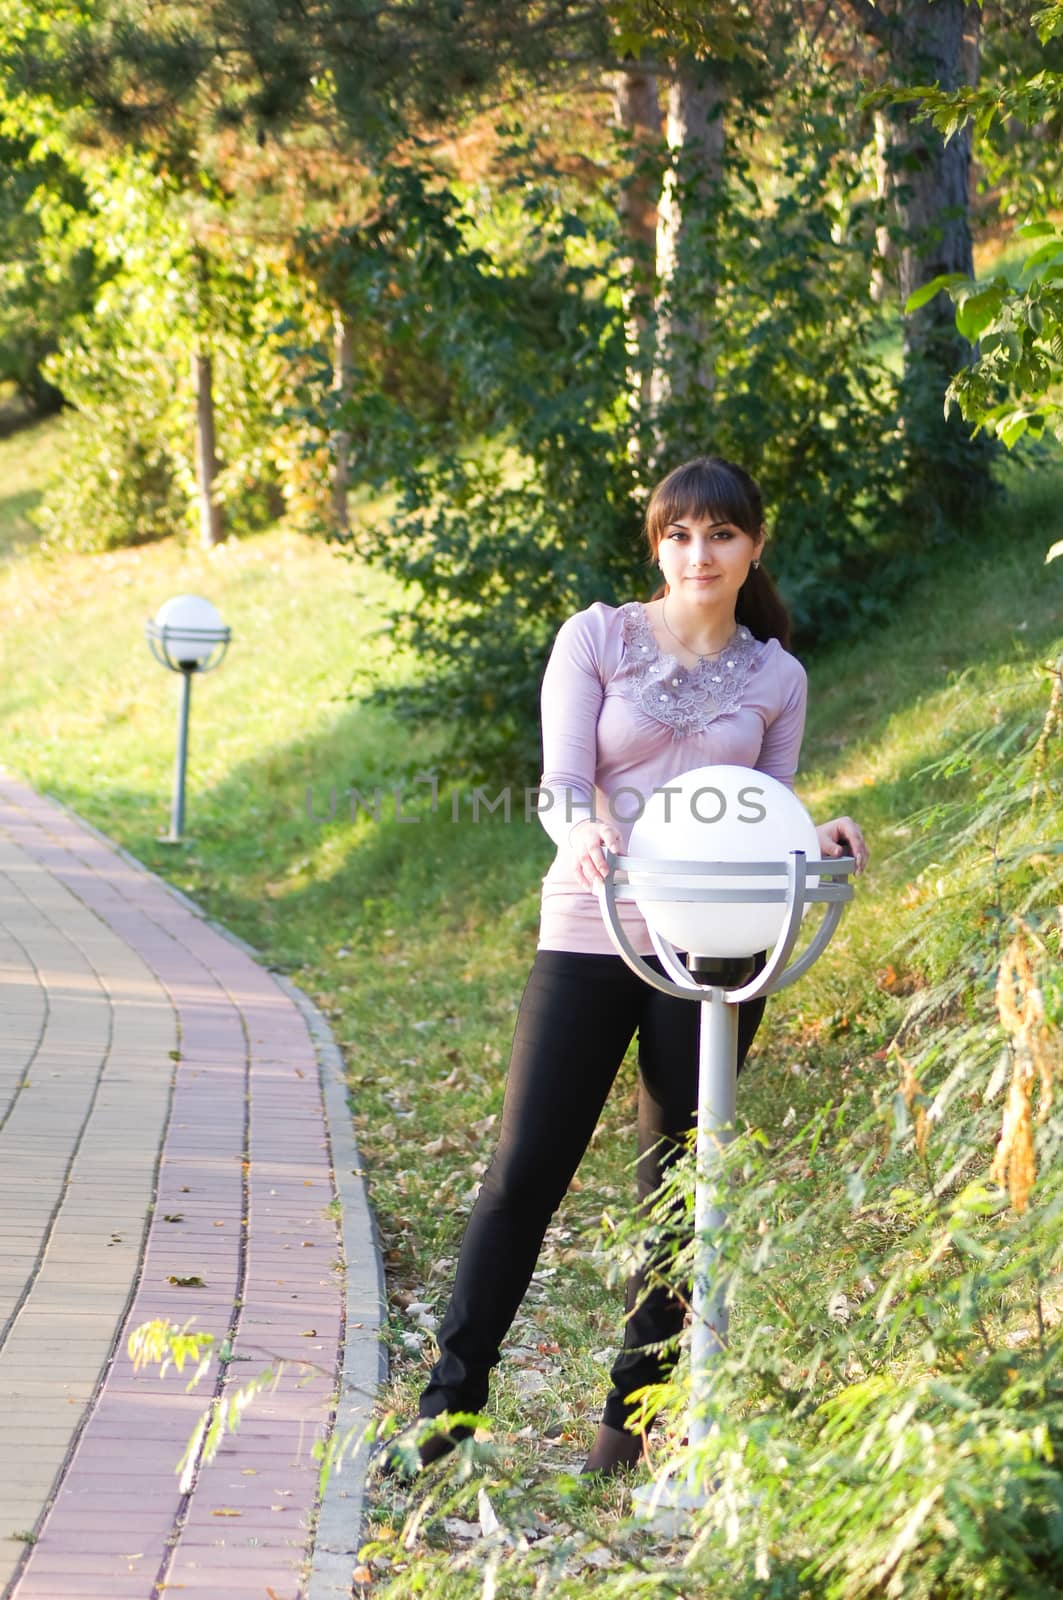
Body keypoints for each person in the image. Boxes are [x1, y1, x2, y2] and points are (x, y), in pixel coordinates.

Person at [395, 456, 867, 1478]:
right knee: (523, 1172)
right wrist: (580, 829)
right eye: (680, 534)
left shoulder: (776, 674)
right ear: (658, 544)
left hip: (714, 947)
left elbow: (768, 814)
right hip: (589, 929)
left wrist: (819, 835)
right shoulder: (598, 638)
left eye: (722, 534)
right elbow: (562, 784)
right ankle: (445, 1413)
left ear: (753, 547)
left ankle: (624, 1428)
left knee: (675, 1191)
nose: (699, 553)